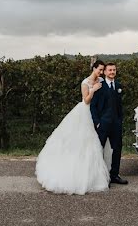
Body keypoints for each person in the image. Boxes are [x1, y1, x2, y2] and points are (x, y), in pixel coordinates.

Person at [35, 60, 111, 194]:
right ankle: (74, 175)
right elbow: (86, 100)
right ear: (93, 68)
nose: (101, 72)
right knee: (81, 141)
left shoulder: (101, 80)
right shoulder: (85, 82)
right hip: (84, 112)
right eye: (99, 69)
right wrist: (93, 90)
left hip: (97, 112)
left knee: (92, 144)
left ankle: (93, 176)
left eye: (102, 70)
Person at [90, 62, 128, 185]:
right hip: (103, 124)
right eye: (110, 70)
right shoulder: (99, 86)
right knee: (99, 149)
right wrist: (97, 122)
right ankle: (100, 177)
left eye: (114, 70)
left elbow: (120, 105)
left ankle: (114, 175)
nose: (112, 72)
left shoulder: (118, 85)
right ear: (105, 72)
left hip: (116, 124)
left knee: (117, 149)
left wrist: (120, 120)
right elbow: (93, 106)